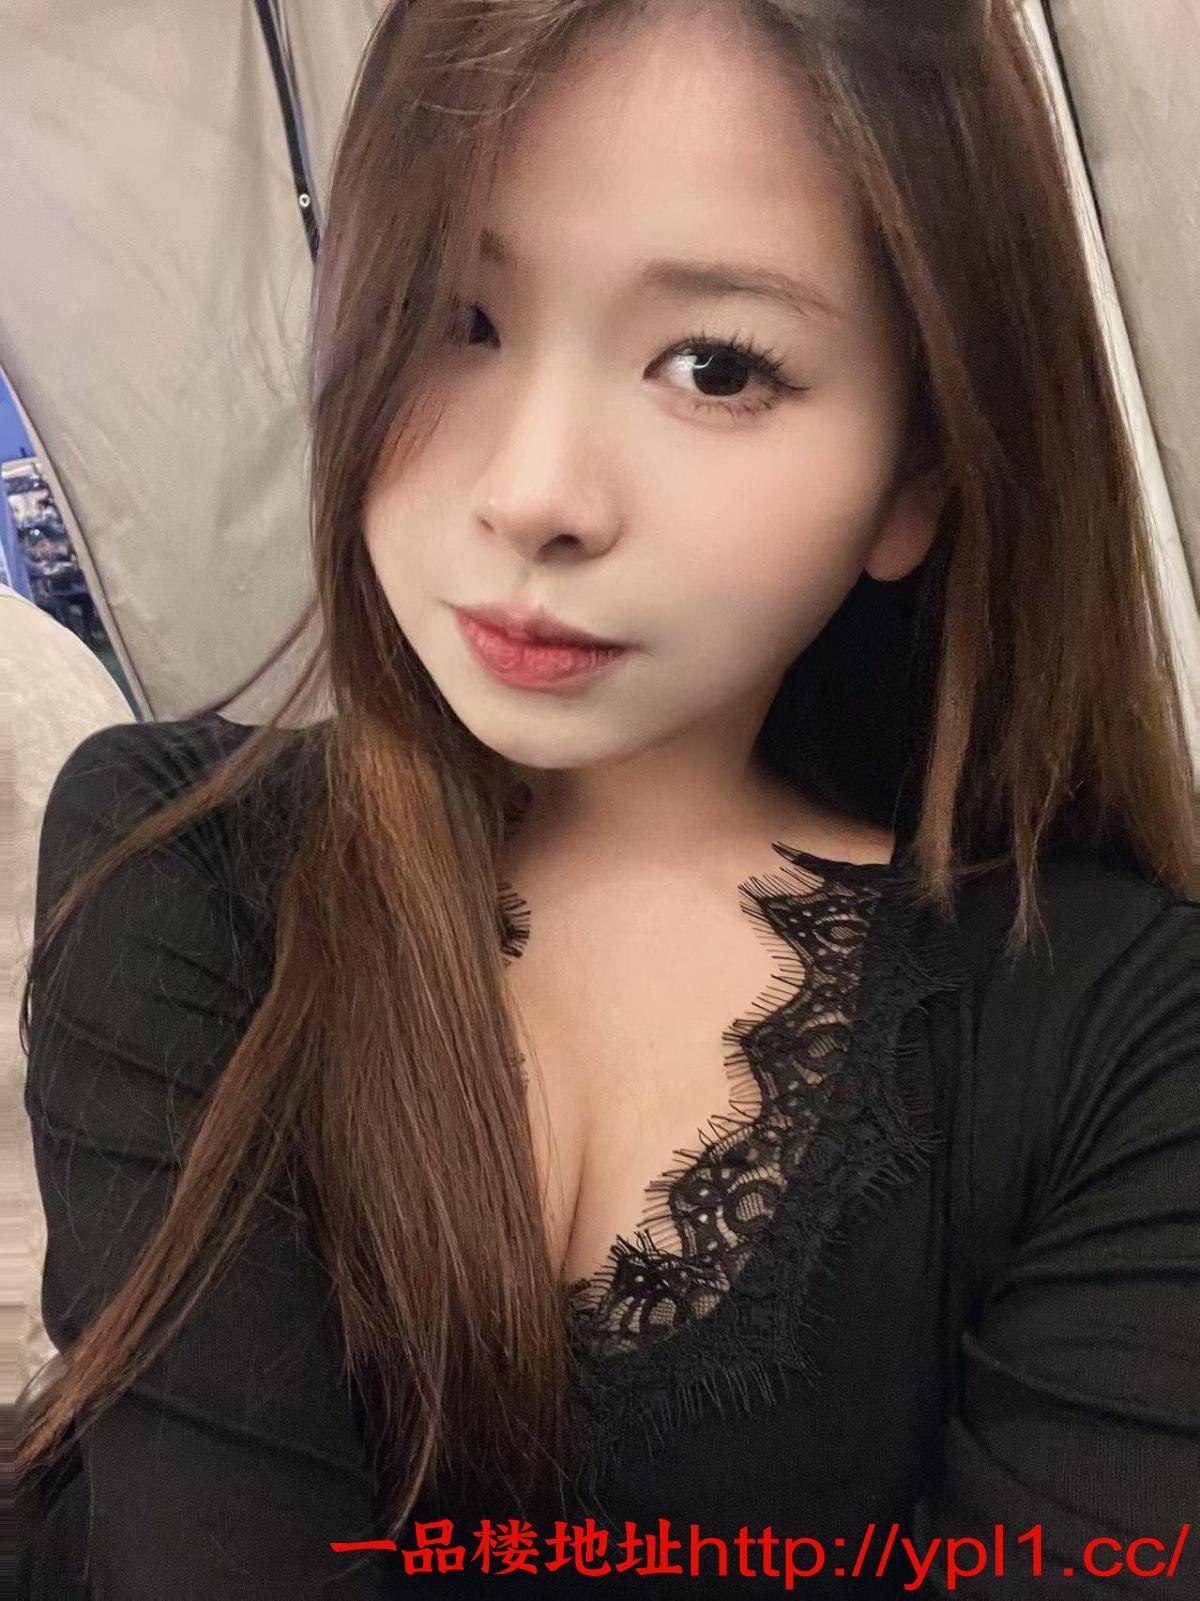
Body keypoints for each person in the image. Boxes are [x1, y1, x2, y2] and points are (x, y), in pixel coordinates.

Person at [16, 1, 1200, 1596]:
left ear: (917, 472)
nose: (535, 494)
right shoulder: (183, 857)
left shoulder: (1121, 1027)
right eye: (456, 313)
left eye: (715, 364)